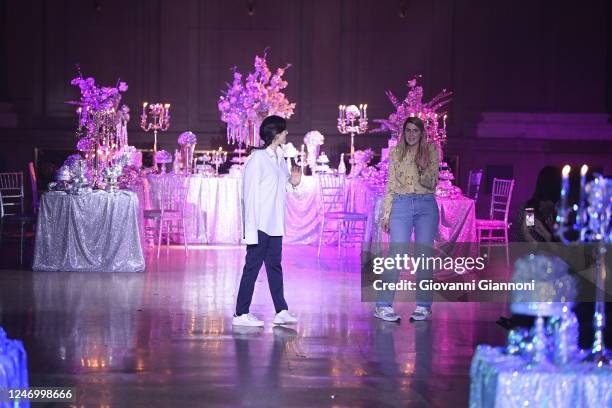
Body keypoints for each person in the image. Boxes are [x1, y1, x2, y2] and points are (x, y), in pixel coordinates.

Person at [233, 116, 301, 327]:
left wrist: (293, 183)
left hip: (275, 224)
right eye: (284, 131)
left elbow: (282, 188)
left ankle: (281, 310)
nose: (287, 135)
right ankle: (240, 314)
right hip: (260, 224)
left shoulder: (279, 158)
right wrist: (250, 230)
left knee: (275, 266)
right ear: (276, 134)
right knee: (252, 267)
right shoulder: (258, 159)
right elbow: (249, 195)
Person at [376, 117, 439, 322]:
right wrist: (386, 214)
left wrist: (422, 167)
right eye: (408, 130)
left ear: (422, 133)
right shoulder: (396, 153)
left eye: (415, 131)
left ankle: (423, 305)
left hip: (426, 205)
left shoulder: (431, 151)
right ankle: (383, 305)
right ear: (404, 132)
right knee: (396, 255)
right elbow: (391, 184)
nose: (412, 134)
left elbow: (433, 182)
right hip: (401, 205)